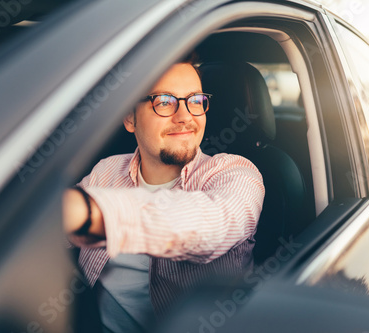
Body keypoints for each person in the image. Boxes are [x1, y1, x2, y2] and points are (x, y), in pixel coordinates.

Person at [62, 57, 265, 333]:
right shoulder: (106, 171)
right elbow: (50, 236)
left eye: (195, 100)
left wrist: (87, 212)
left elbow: (208, 226)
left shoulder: (236, 174)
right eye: (165, 101)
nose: (185, 117)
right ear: (130, 118)